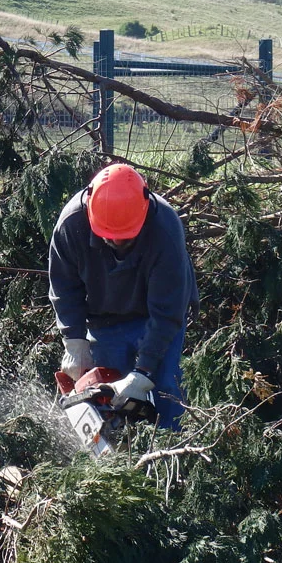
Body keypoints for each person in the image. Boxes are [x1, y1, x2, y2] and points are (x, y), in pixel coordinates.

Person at [48, 163, 197, 430]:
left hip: (155, 316)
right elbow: (64, 286)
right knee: (109, 398)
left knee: (164, 386)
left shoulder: (165, 229)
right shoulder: (71, 225)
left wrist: (143, 373)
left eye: (124, 238)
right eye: (110, 237)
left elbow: (167, 311)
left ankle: (173, 449)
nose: (116, 243)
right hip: (104, 321)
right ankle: (117, 460)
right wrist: (74, 340)